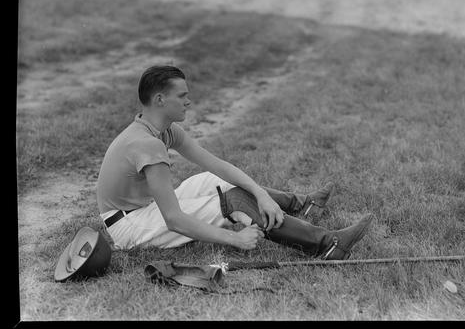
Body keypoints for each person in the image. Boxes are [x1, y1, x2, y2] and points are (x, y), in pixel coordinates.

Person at [96, 65, 373, 260]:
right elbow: (174, 219)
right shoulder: (147, 145)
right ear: (159, 99)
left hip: (144, 210)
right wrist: (235, 238)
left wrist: (261, 194)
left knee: (220, 181)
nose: (189, 101)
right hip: (129, 228)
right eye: (182, 96)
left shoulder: (163, 130)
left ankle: (302, 205)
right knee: (234, 201)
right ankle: (328, 245)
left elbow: (216, 164)